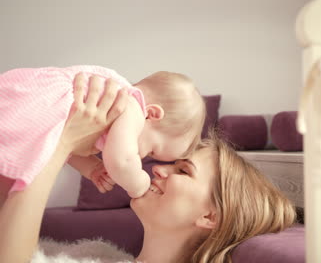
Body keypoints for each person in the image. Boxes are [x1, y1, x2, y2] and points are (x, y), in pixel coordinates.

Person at [0, 74, 296, 263]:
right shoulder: (99, 254)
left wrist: (61, 142)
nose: (156, 169)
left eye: (183, 171)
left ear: (210, 215)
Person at [0, 65, 206, 199]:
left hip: (31, 108)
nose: (143, 158)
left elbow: (62, 141)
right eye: (152, 150)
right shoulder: (132, 106)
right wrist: (139, 184)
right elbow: (122, 161)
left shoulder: (106, 111)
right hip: (34, 106)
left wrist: (91, 169)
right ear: (151, 114)